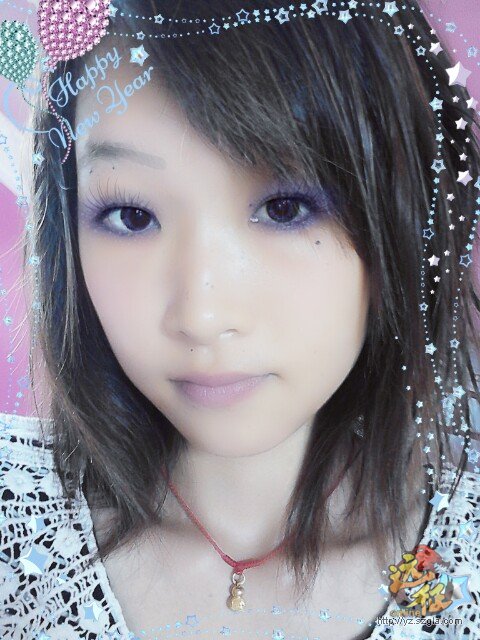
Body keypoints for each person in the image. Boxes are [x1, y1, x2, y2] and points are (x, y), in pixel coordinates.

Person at [1, 0, 479, 638]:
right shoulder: (15, 524)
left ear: (403, 217)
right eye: (131, 216)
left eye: (285, 208)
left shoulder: (460, 568)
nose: (201, 317)